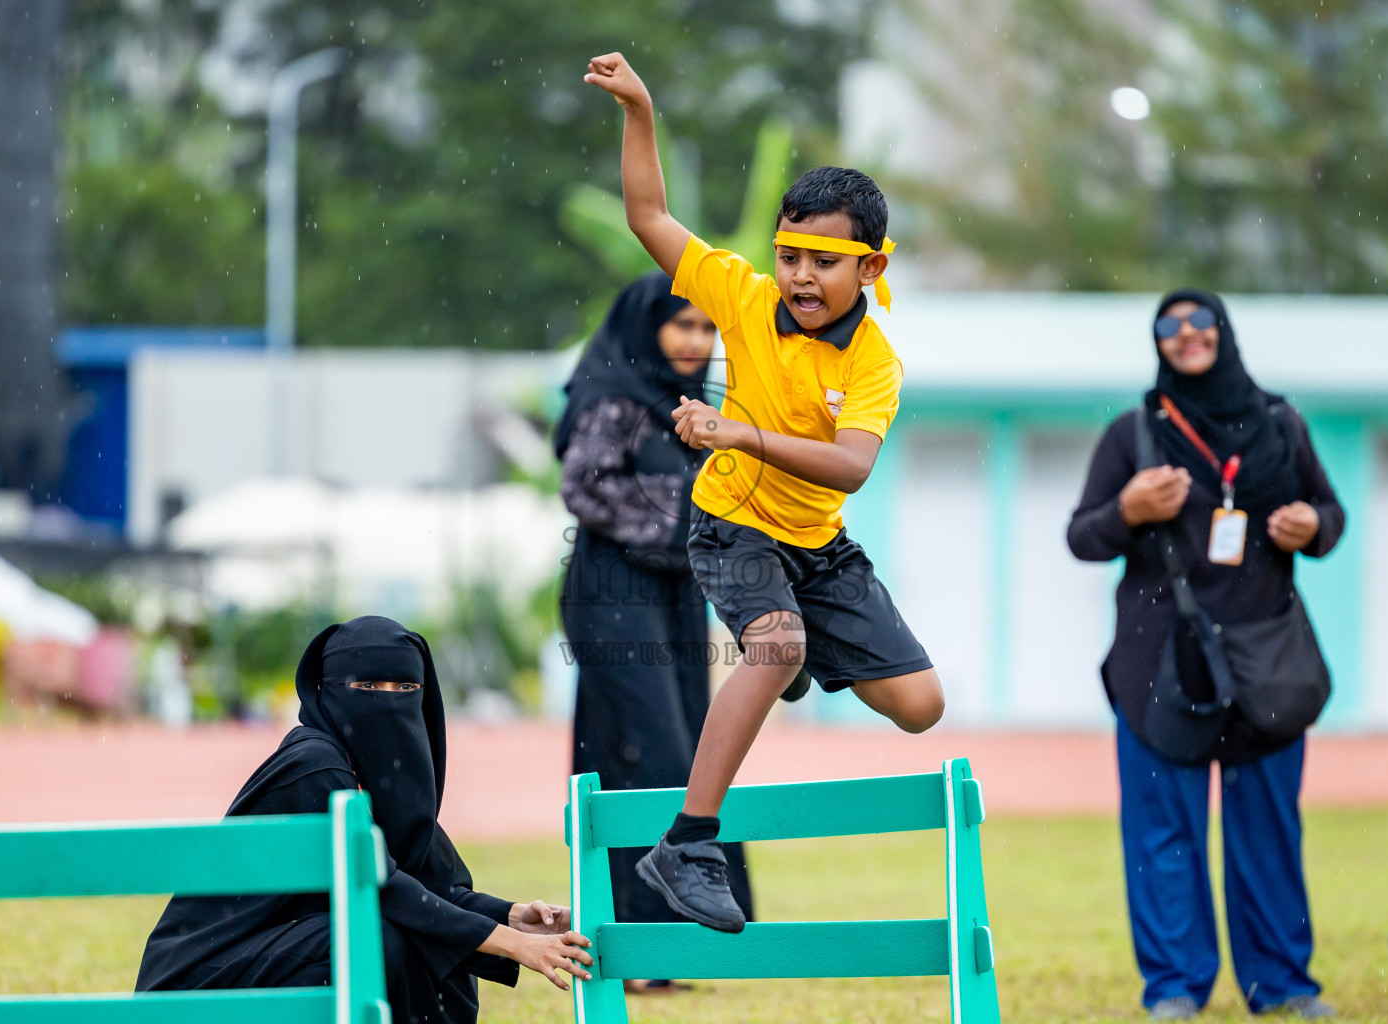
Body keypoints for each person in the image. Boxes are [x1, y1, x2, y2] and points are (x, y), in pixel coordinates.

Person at [583, 52, 944, 934]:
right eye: (789, 255)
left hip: (819, 545)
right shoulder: (742, 298)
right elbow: (648, 214)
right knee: (776, 649)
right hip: (731, 523)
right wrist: (641, 110)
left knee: (921, 709)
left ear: (872, 267)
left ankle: (785, 645)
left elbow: (853, 467)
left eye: (825, 260)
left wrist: (739, 429)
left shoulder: (874, 364)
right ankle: (688, 846)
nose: (800, 278)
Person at [1067, 290, 1345, 1021]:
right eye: (1170, 326)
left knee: (1270, 833)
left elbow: (1331, 513)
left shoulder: (1281, 425)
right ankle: (1174, 989)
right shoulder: (1135, 434)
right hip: (1159, 662)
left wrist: (1311, 524)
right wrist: (1129, 510)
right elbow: (1081, 536)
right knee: (1163, 835)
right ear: (1157, 341)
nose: (1186, 335)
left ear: (1223, 331)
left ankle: (1282, 986)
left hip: (1266, 660)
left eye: (1200, 323)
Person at [136, 616, 593, 1024]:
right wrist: (513, 946)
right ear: (327, 689)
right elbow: (385, 889)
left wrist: (513, 917)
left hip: (277, 954)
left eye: (406, 690)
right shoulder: (315, 765)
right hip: (199, 980)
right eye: (368, 687)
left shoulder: (382, 783)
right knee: (379, 936)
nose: (388, 704)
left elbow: (429, 888)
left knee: (410, 938)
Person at [555, 271, 755, 991]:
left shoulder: (695, 408)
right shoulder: (614, 396)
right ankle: (641, 944)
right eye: (683, 325)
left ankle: (675, 945)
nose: (696, 342)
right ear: (649, 328)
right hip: (613, 591)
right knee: (649, 749)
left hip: (674, 590)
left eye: (707, 329)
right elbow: (584, 483)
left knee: (681, 745)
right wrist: (685, 513)